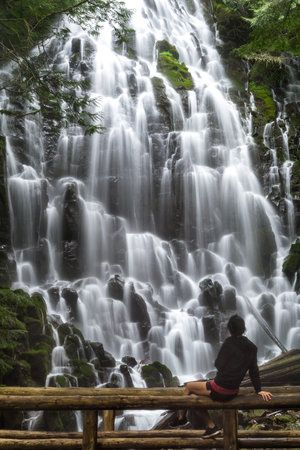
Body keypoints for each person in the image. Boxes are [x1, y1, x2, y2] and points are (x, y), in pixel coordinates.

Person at [179, 314, 272, 438]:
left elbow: (218, 365)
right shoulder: (252, 347)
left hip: (219, 389)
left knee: (189, 387)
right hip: (233, 391)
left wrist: (227, 368)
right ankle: (202, 424)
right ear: (244, 328)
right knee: (199, 386)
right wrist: (259, 390)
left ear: (230, 329)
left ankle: (183, 420)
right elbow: (254, 371)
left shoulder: (229, 343)